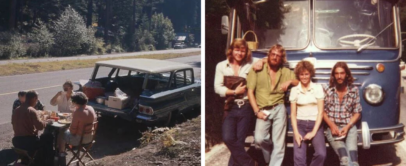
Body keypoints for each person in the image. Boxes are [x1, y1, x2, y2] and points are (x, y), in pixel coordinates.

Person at [247, 44, 298, 166]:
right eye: (273, 54)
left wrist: (290, 81)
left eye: (278, 56)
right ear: (268, 55)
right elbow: (250, 92)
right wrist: (256, 111)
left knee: (279, 144)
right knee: (259, 138)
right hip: (263, 109)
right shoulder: (257, 69)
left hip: (279, 108)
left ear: (282, 59)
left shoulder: (285, 72)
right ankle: (269, 156)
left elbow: (298, 81)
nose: (275, 57)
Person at [214, 38, 260, 166]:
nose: (239, 53)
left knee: (239, 142)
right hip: (230, 106)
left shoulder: (250, 64)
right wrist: (234, 92)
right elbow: (217, 88)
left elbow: (268, 59)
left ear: (246, 52)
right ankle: (250, 163)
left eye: (243, 51)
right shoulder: (221, 66)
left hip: (246, 107)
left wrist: (261, 63)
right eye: (237, 50)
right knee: (228, 138)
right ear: (231, 50)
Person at [323, 62, 362, 166]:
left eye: (342, 73)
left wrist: (348, 126)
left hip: (349, 127)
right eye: (336, 73)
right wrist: (331, 125)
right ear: (333, 75)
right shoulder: (327, 89)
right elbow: (322, 112)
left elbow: (357, 112)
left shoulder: (354, 90)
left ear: (347, 74)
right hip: (333, 129)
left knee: (353, 160)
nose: (339, 76)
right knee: (344, 158)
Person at [289, 60, 326, 166]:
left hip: (315, 124)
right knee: (299, 158)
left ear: (310, 74)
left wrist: (313, 132)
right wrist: (296, 133)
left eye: (306, 74)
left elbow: (320, 112)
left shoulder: (317, 88)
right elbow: (293, 114)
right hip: (300, 125)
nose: (304, 77)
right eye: (301, 74)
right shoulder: (294, 90)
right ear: (298, 75)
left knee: (321, 154)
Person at [12, 90, 53, 165]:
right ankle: (47, 162)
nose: (37, 102)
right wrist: (46, 122)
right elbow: (40, 126)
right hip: (28, 142)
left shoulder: (16, 110)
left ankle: (27, 159)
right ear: (34, 98)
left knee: (41, 139)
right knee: (48, 137)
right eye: (37, 100)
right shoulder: (31, 110)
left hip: (16, 141)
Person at [57, 92, 97, 157]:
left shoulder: (78, 112)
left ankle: (61, 152)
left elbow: (72, 131)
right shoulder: (91, 108)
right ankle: (63, 151)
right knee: (66, 131)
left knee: (61, 132)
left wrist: (67, 129)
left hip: (80, 140)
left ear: (75, 102)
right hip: (90, 137)